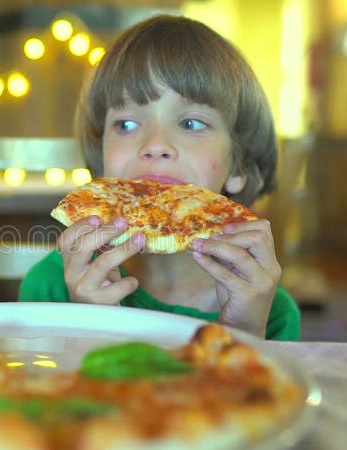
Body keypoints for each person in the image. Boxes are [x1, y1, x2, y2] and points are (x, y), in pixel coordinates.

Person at [18, 14, 300, 340]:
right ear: (102, 158)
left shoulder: (268, 309)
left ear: (239, 166)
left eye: (191, 123)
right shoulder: (51, 286)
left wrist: (243, 333)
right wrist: (90, 323)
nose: (155, 146)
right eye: (126, 124)